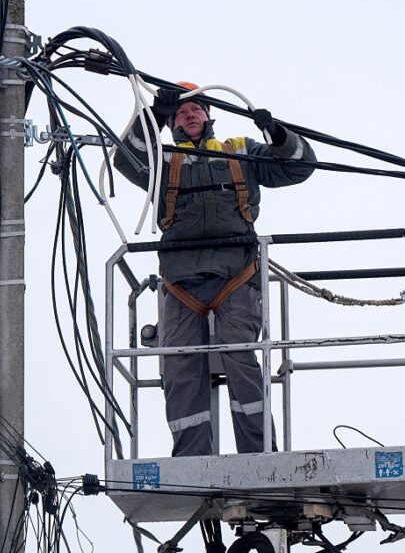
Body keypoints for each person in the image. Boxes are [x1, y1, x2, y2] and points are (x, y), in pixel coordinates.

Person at [113, 84, 316, 457]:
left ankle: (258, 455)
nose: (189, 115)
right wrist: (156, 114)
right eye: (181, 112)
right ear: (173, 122)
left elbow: (299, 166)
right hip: (180, 283)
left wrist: (277, 134)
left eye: (196, 109)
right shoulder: (165, 161)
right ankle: (191, 461)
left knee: (242, 359)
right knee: (180, 368)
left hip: (235, 275)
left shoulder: (239, 152)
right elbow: (125, 159)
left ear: (209, 116)